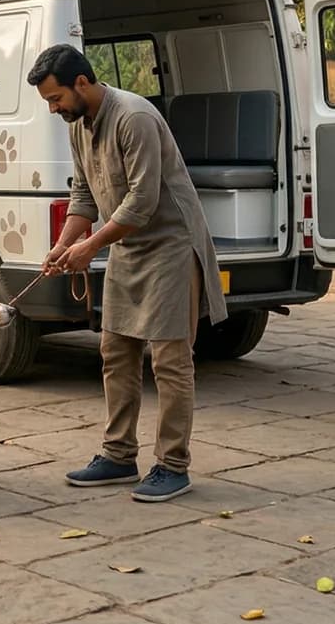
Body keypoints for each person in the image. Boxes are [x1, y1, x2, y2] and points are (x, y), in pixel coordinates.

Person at [29, 44, 227, 502]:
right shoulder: (78, 124)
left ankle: (173, 465)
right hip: (127, 245)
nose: (53, 109)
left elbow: (141, 202)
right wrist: (63, 246)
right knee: (115, 351)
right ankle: (118, 454)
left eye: (55, 98)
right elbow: (83, 196)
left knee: (171, 361)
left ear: (82, 82)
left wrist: (90, 247)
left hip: (171, 246)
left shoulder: (133, 117)